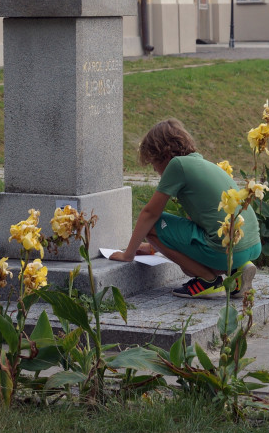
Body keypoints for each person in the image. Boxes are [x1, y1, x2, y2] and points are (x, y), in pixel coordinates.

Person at [109, 119, 260, 298]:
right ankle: (238, 270)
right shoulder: (199, 162)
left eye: (152, 163)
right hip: (250, 246)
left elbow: (150, 214)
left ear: (163, 154)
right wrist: (152, 247)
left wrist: (128, 254)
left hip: (222, 252)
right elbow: (192, 227)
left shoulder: (176, 165)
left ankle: (208, 281)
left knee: (152, 225)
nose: (156, 170)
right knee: (196, 247)